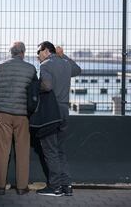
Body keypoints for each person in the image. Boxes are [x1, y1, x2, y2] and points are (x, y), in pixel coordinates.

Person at [0, 41, 37, 196]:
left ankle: (0, 187)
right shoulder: (31, 69)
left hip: (2, 114)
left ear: (11, 52)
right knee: (22, 152)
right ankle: (22, 187)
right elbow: (34, 93)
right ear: (23, 52)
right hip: (23, 115)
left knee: (2, 152)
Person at [35, 41, 81, 197]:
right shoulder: (65, 64)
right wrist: (64, 56)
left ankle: (54, 187)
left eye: (38, 52)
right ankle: (66, 185)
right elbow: (78, 70)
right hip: (64, 111)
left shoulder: (45, 65)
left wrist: (35, 87)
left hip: (51, 112)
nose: (37, 56)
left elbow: (47, 86)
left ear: (46, 51)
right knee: (60, 150)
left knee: (50, 150)